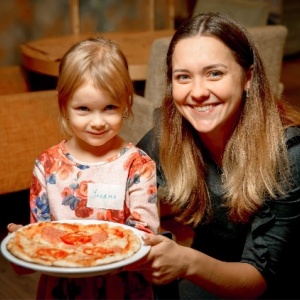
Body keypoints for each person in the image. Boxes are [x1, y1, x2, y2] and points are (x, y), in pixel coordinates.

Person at [124, 12, 300, 299]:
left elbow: (258, 279)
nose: (198, 92)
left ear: (248, 77)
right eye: (183, 77)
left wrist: (185, 261)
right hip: (203, 276)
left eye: (214, 73)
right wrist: (32, 234)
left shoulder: (289, 154)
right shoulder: (169, 135)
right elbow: (113, 187)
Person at [7, 37, 159, 299]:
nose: (97, 122)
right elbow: (37, 246)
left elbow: (144, 239)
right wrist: (23, 245)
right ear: (64, 106)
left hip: (121, 288)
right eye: (83, 109)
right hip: (62, 288)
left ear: (127, 103)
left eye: (109, 107)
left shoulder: (138, 165)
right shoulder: (47, 164)